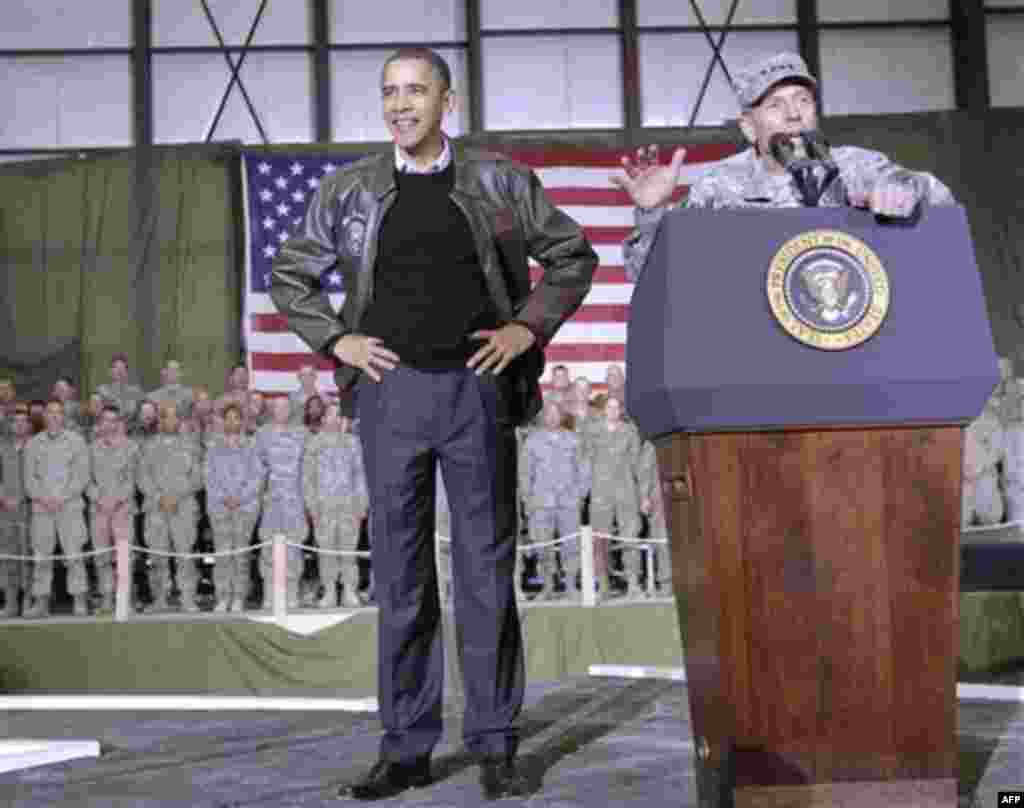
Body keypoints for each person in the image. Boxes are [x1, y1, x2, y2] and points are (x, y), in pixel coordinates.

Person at [270, 46, 596, 801]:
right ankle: (407, 747)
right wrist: (336, 339)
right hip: (389, 396)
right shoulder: (349, 189)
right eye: (389, 92)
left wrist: (527, 327)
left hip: (477, 393)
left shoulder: (499, 180)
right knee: (403, 577)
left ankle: (495, 743)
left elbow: (571, 256)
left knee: (485, 570)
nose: (399, 104)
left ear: (447, 100)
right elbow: (291, 273)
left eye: (415, 91)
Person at [616, 52, 957, 283]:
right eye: (776, 105)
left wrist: (904, 188)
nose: (794, 114)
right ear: (749, 127)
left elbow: (941, 201)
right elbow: (648, 275)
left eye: (803, 101)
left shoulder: (855, 166)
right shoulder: (719, 186)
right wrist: (652, 214)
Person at [23, 399, 91, 617]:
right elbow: (29, 479)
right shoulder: (33, 444)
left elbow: (82, 476)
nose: (53, 416)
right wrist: (44, 498)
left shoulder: (77, 442)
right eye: (50, 412)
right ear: (44, 417)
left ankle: (79, 600)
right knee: (41, 557)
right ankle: (41, 602)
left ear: (63, 416)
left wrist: (63, 497)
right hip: (42, 510)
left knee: (74, 556)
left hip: (69, 507)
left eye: (58, 412)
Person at [518, 401, 590, 600]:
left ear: (561, 417)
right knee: (543, 546)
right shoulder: (532, 441)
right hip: (541, 504)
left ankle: (570, 586)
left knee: (571, 546)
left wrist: (580, 495)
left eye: (555, 413)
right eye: (548, 414)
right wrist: (528, 499)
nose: (552, 417)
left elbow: (584, 470)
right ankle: (547, 587)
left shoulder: (574, 440)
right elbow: (525, 474)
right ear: (543, 418)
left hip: (568, 503)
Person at [137, 401, 203, 611]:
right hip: (156, 508)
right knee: (157, 555)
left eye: (174, 416)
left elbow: (199, 477)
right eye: (165, 416)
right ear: (159, 420)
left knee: (184, 554)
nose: (169, 420)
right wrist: (158, 497)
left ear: (180, 420)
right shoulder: (148, 446)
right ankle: (160, 599)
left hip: (183, 507)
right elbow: (142, 476)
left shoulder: (191, 446)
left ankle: (187, 598)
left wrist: (177, 496)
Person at [303, 401, 368, 608]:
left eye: (340, 415)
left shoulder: (353, 443)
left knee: (349, 552)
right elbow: (308, 479)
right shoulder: (314, 443)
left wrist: (362, 504)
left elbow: (360, 476)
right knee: (327, 552)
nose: (337, 418)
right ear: (324, 419)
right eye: (332, 415)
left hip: (349, 507)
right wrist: (312, 507)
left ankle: (349, 590)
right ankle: (329, 591)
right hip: (324, 508)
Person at [204, 401, 264, 612]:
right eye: (228, 418)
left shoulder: (252, 445)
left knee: (240, 554)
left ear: (242, 421)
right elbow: (209, 477)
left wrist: (239, 497)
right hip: (220, 508)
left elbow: (257, 477)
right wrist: (224, 498)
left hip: (244, 508)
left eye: (236, 418)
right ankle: (222, 596)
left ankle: (238, 596)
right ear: (222, 421)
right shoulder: (213, 447)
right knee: (222, 553)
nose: (232, 422)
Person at [586, 397, 644, 598]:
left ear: (620, 410)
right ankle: (603, 585)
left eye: (616, 407)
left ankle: (633, 583)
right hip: (600, 493)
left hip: (626, 491)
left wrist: (641, 493)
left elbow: (638, 463)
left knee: (630, 538)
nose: (612, 411)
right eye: (609, 407)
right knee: (600, 540)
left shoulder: (630, 432)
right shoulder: (592, 431)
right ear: (603, 410)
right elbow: (585, 461)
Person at [254, 395, 307, 609]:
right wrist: (259, 497)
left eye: (286, 407)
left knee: (293, 548)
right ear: (271, 410)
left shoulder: (301, 434)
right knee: (269, 549)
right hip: (271, 502)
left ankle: (292, 594)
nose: (282, 410)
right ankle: (270, 595)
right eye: (278, 407)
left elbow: (307, 467)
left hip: (294, 501)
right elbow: (256, 468)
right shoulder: (261, 434)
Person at [86, 405, 139, 613]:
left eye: (113, 420)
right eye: (105, 420)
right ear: (100, 423)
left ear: (119, 423)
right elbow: (85, 479)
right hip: (99, 510)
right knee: (102, 558)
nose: (109, 424)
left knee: (124, 558)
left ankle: (124, 600)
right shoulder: (91, 449)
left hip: (122, 510)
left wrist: (116, 500)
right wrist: (99, 499)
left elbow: (132, 478)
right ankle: (107, 600)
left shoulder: (131, 447)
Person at [0, 403, 32, 617]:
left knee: (29, 556)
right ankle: (11, 603)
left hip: (30, 510)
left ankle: (29, 601)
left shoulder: (36, 447)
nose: (19, 425)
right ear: (10, 426)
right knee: (8, 556)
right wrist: (3, 497)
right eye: (15, 422)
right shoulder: (2, 448)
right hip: (5, 511)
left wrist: (24, 497)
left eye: (23, 422)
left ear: (29, 425)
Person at [96, 354, 145, 427]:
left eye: (123, 368)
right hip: (108, 429)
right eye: (116, 367)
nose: (120, 371)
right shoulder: (101, 391)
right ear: (110, 371)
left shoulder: (136, 392)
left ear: (127, 372)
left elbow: (142, 414)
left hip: (131, 429)